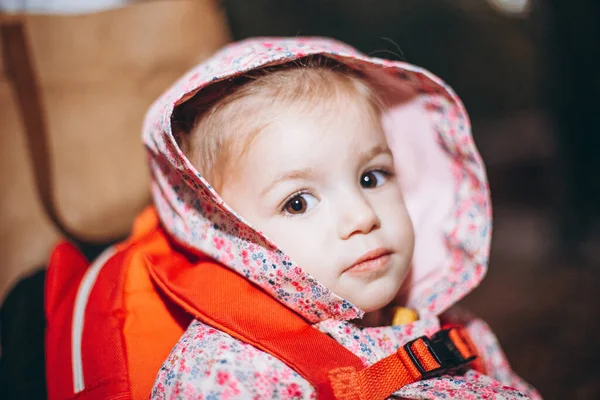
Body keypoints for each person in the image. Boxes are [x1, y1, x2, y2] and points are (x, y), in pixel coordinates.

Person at [44, 37, 541, 399]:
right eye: (298, 202)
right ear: (230, 235)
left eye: (372, 177)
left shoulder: (456, 331)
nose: (361, 216)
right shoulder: (232, 372)